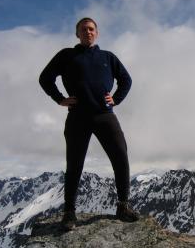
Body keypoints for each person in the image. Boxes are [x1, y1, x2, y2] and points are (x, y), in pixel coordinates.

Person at [39, 17, 139, 230]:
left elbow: (126, 80)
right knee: (74, 164)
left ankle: (123, 206)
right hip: (78, 117)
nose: (88, 32)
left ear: (97, 33)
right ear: (77, 34)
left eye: (91, 29)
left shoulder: (108, 57)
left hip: (105, 115)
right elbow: (45, 78)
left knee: (120, 156)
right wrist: (59, 99)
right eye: (83, 29)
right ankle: (69, 213)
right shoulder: (67, 55)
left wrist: (117, 98)